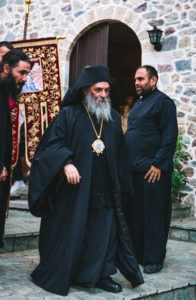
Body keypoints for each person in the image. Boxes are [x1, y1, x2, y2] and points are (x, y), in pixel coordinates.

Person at [28, 65, 144, 296]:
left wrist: (123, 186)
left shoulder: (111, 117)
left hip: (105, 187)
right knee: (73, 232)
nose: (102, 95)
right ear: (84, 90)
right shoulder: (68, 115)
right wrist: (66, 162)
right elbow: (50, 146)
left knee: (103, 235)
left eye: (106, 91)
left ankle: (100, 275)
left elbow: (120, 153)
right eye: (97, 90)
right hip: (75, 190)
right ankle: (68, 272)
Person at [125, 65, 178, 274]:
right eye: (135, 79)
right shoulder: (138, 104)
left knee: (154, 217)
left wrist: (158, 164)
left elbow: (169, 136)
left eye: (141, 79)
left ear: (153, 80)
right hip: (135, 171)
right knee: (137, 216)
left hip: (153, 171)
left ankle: (154, 259)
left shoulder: (163, 103)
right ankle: (140, 255)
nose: (136, 83)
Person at [0, 49, 31, 247]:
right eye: (22, 72)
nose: (25, 78)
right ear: (6, 68)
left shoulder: (6, 91)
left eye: (27, 73)